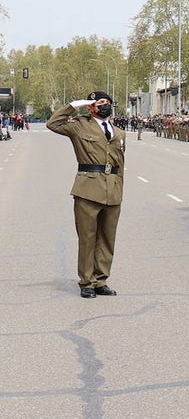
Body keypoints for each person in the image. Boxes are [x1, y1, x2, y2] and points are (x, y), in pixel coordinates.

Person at [48, 91, 125, 298]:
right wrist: (74, 105)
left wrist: (120, 190)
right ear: (91, 107)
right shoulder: (79, 125)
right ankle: (87, 282)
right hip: (88, 188)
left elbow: (121, 165)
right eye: (100, 103)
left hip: (113, 190)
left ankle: (101, 280)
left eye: (108, 102)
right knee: (88, 237)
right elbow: (53, 124)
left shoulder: (118, 132)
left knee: (108, 239)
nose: (105, 106)